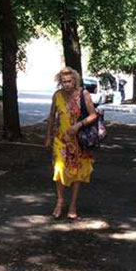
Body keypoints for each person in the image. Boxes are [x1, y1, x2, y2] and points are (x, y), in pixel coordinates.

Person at [44, 67, 98, 219]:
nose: (66, 84)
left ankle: (73, 205)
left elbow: (94, 115)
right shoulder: (57, 95)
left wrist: (78, 125)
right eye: (63, 82)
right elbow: (51, 116)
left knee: (77, 173)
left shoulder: (83, 94)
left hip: (78, 140)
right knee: (59, 170)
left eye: (69, 81)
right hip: (60, 140)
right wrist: (48, 136)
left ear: (74, 80)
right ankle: (60, 201)